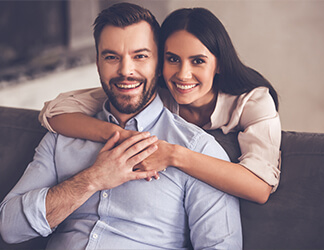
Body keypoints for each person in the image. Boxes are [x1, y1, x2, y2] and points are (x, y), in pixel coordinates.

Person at [0, 3, 242, 249]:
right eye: (112, 57)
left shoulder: (197, 151)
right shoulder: (63, 137)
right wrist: (92, 179)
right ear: (97, 63)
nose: (126, 71)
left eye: (140, 56)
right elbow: (10, 227)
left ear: (159, 65)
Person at [39, 6, 281, 204]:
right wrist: (120, 134)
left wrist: (173, 155)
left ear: (219, 65)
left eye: (198, 61)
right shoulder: (157, 91)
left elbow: (259, 188)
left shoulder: (254, 102)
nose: (183, 75)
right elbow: (54, 111)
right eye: (172, 59)